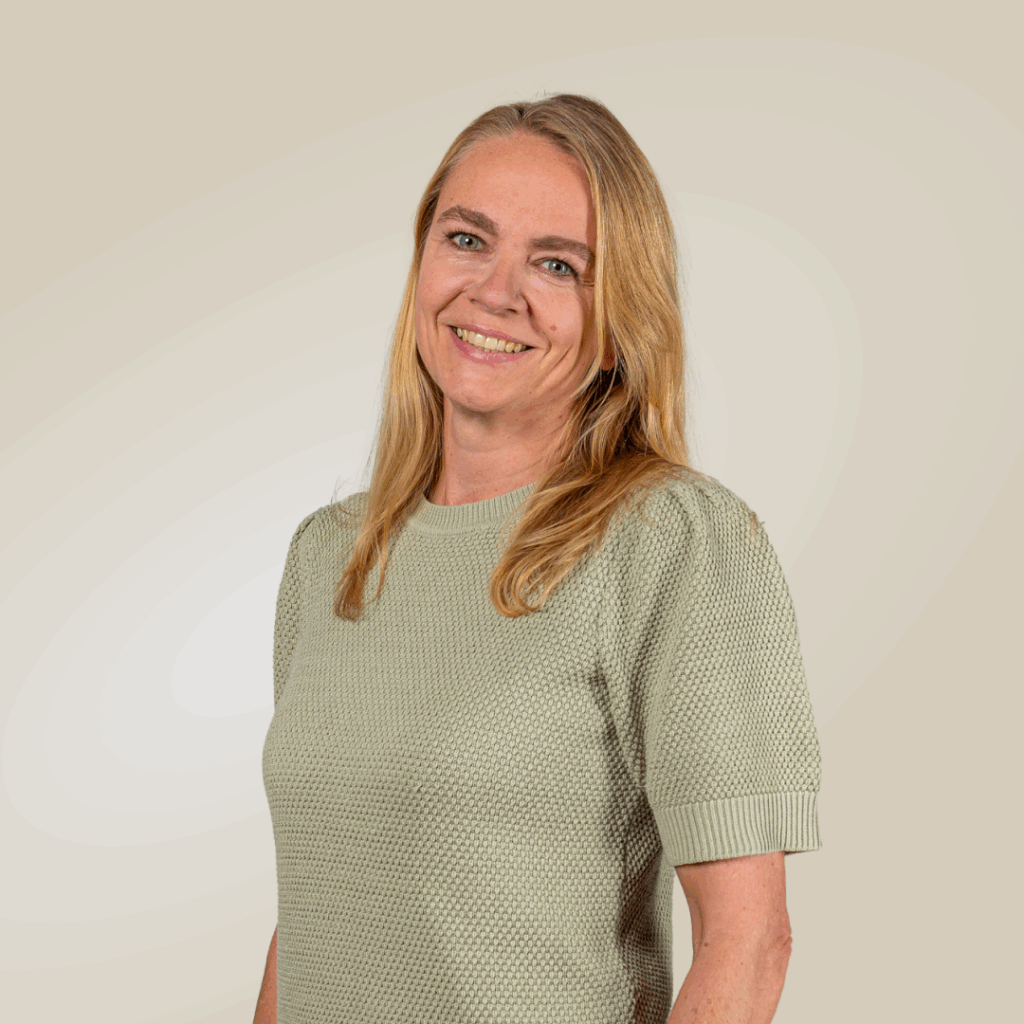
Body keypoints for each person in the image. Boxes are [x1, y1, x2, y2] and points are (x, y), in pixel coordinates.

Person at [255, 93, 821, 1024]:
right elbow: (317, 919)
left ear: (619, 318)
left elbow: (749, 943)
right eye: (467, 239)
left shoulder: (673, 544)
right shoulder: (331, 558)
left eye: (557, 264)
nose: (495, 291)